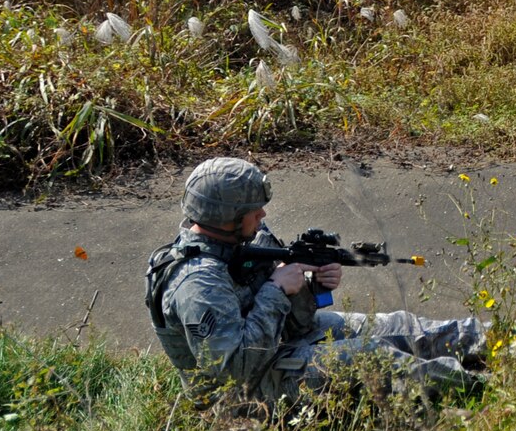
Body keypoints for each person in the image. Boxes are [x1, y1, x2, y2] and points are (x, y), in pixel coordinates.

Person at [147, 156, 488, 403]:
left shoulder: (242, 243)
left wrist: (311, 290)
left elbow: (293, 324)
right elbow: (235, 368)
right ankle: (484, 388)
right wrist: (276, 291)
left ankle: (503, 342)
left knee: (400, 327)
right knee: (373, 355)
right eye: (254, 210)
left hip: (280, 350)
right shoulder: (197, 283)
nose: (262, 214)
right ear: (227, 216)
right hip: (241, 397)